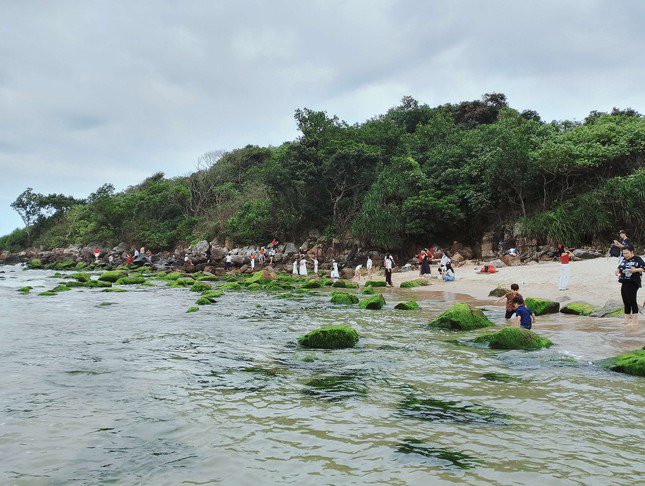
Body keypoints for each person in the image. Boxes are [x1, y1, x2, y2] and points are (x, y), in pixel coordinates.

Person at [615, 245, 644, 325]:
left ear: (632, 252)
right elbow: (620, 268)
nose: (625, 255)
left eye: (627, 253)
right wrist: (617, 270)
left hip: (633, 282)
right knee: (626, 301)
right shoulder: (624, 259)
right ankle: (626, 320)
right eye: (623, 253)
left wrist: (635, 270)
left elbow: (644, 268)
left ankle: (635, 321)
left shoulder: (637, 259)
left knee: (632, 300)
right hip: (624, 281)